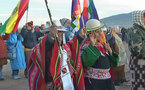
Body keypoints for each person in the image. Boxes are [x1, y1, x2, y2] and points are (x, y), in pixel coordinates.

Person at [28, 20, 85, 90]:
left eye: (61, 35)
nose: (59, 38)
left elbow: (72, 45)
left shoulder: (65, 48)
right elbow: (45, 49)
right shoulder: (39, 49)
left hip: (68, 83)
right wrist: (51, 38)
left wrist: (80, 36)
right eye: (57, 35)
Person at [81, 19, 119, 90]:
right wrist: (92, 44)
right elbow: (87, 62)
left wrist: (110, 50)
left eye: (100, 31)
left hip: (107, 81)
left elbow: (114, 63)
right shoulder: (86, 46)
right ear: (91, 34)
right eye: (98, 32)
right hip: (94, 83)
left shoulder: (102, 45)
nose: (101, 34)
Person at [128, 10, 145, 90]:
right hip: (139, 65)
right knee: (139, 86)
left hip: (141, 63)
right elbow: (137, 50)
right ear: (140, 18)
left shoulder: (142, 30)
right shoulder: (135, 31)